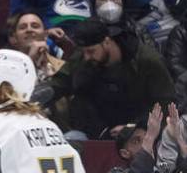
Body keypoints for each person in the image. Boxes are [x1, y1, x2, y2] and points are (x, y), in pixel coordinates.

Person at [37, 19, 174, 139]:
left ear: (107, 42)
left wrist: (134, 127)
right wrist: (33, 98)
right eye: (83, 52)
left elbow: (165, 104)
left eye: (91, 51)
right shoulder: (85, 57)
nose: (86, 57)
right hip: (97, 131)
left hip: (140, 130)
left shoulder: (147, 61)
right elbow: (61, 82)